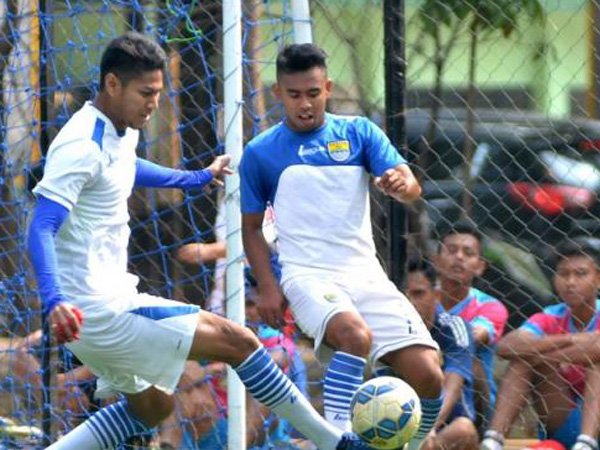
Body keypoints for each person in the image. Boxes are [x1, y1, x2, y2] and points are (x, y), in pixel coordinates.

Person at [27, 32, 368, 450]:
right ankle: (335, 442)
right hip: (96, 310)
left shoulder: (118, 126)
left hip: (98, 307)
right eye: (146, 93)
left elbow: (125, 165)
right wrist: (53, 299)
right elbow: (41, 225)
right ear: (112, 84)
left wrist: (194, 178)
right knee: (239, 341)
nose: (154, 103)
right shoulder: (81, 144)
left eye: (159, 92)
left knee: (152, 407)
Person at [239, 42, 444, 447]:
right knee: (354, 334)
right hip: (308, 276)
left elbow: (410, 184)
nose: (305, 104)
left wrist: (401, 184)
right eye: (294, 95)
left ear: (327, 88)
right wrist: (267, 284)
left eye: (313, 93)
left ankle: (411, 445)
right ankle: (336, 438)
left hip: (365, 274)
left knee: (429, 375)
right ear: (277, 93)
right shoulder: (260, 153)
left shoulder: (358, 132)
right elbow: (249, 228)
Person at [480, 240, 600, 450]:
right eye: (564, 274)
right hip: (563, 418)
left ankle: (587, 443)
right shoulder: (551, 315)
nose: (570, 282)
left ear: (598, 279)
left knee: (597, 365)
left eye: (580, 274)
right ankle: (493, 441)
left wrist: (542, 352)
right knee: (522, 361)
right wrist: (572, 339)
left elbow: (596, 349)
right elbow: (507, 346)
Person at [434, 220, 508, 429]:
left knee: (469, 358)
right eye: (451, 250)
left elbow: (472, 337)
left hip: (473, 403)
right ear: (437, 259)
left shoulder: (490, 306)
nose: (459, 257)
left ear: (480, 266)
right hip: (426, 386)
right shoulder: (422, 297)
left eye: (468, 253)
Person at [406, 258, 478, 450]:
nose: (410, 303)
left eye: (418, 294)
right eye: (402, 296)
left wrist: (425, 429)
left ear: (436, 295)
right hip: (395, 426)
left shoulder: (454, 328)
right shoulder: (387, 331)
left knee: (463, 429)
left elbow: (452, 386)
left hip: (442, 428)